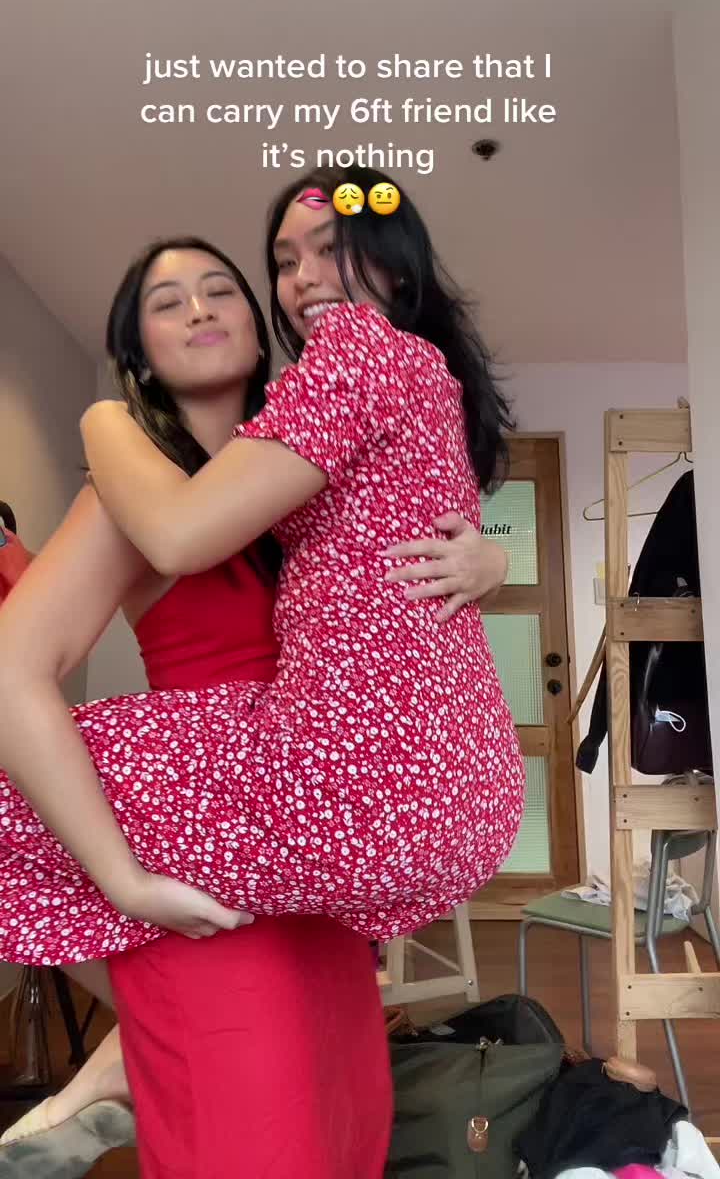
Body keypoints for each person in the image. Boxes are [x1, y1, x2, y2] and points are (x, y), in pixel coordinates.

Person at [0, 235, 507, 1177]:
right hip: (206, 872)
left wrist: (489, 560)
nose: (198, 308)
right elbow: (10, 675)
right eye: (166, 302)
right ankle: (119, 1060)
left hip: (312, 886)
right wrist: (124, 882)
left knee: (346, 1137)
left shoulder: (312, 475)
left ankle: (115, 1069)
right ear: (138, 350)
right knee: (258, 1148)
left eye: (220, 289)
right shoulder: (133, 490)